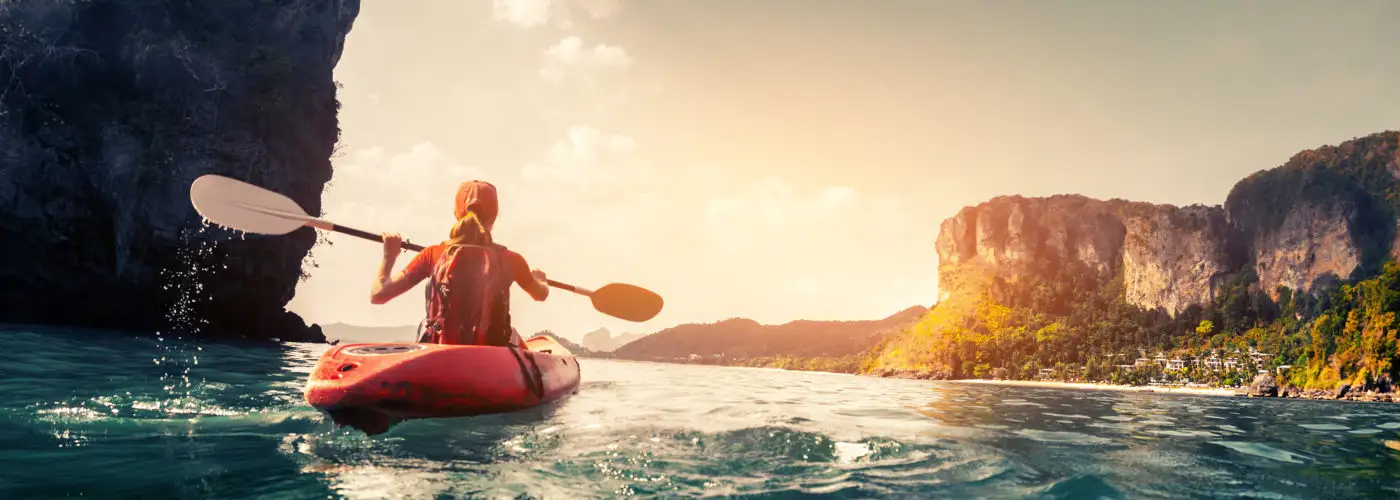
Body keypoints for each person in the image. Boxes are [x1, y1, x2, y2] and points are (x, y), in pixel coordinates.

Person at [368, 180, 550, 347]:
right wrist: (540, 280)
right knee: (514, 336)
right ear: (494, 216)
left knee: (425, 327)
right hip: (493, 355)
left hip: (440, 350)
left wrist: (389, 256)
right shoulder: (512, 260)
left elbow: (378, 295)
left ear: (456, 213)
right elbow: (540, 294)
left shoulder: (433, 255)